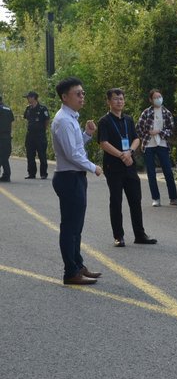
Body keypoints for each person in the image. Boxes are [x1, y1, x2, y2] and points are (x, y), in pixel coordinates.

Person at [50, 77, 102, 285]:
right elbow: (72, 154)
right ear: (65, 97)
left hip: (74, 177)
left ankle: (78, 265)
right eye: (77, 94)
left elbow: (75, 146)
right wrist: (93, 167)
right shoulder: (63, 120)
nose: (82, 97)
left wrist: (87, 134)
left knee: (76, 227)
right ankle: (70, 272)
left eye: (83, 93)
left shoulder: (70, 117)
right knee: (70, 227)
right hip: (68, 177)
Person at [97, 88, 157, 247]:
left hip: (129, 165)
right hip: (113, 166)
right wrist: (121, 155)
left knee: (135, 200)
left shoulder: (128, 120)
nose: (119, 101)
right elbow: (103, 143)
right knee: (116, 201)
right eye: (116, 99)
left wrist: (129, 152)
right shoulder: (104, 121)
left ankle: (140, 234)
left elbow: (136, 139)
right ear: (109, 101)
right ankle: (118, 236)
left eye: (121, 99)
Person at [136, 89, 177, 207]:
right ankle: (156, 198)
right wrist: (147, 134)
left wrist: (160, 132)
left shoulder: (166, 112)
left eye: (160, 97)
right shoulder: (146, 112)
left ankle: (173, 198)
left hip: (162, 144)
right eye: (155, 97)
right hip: (149, 145)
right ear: (151, 100)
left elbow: (170, 129)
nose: (158, 99)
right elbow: (138, 128)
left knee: (168, 171)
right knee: (151, 173)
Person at [22, 91, 50, 179]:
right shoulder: (28, 108)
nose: (27, 99)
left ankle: (43, 173)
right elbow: (26, 119)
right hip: (30, 135)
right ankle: (31, 173)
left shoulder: (42, 108)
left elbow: (47, 120)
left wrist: (43, 130)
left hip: (40, 135)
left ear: (33, 97)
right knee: (30, 155)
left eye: (28, 97)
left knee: (42, 155)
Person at [0, 95, 14, 182]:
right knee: (4, 156)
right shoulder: (8, 109)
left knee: (2, 156)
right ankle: (6, 175)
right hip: (7, 135)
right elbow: (11, 122)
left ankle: (6, 175)